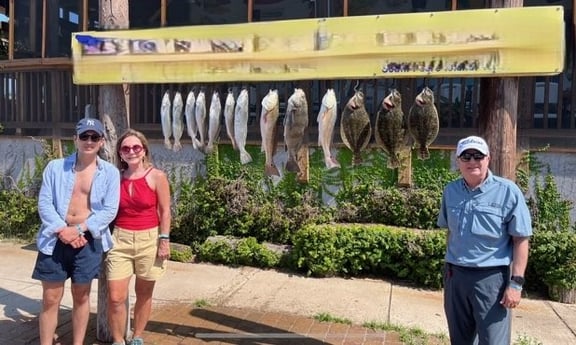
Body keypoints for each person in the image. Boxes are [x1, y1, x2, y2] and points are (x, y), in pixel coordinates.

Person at [32, 117, 120, 345]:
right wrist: (63, 230)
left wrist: (79, 230)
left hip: (88, 241)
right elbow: (45, 204)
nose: (89, 141)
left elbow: (110, 210)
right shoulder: (55, 167)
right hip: (55, 238)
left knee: (81, 296)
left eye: (94, 137)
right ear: (75, 139)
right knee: (50, 298)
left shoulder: (110, 172)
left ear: (101, 142)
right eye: (84, 136)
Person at [437, 135, 533, 345]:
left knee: (493, 341)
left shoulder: (508, 191)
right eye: (466, 156)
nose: (472, 161)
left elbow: (521, 239)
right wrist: (449, 272)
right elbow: (450, 233)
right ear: (458, 161)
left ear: (488, 159)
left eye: (478, 155)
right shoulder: (450, 191)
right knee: (460, 340)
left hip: (492, 280)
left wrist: (516, 284)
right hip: (456, 277)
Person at [106, 129, 171, 345]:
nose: (131, 151)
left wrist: (164, 240)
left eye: (136, 147)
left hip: (149, 239)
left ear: (144, 150)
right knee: (116, 297)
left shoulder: (157, 176)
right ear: (120, 153)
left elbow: (165, 211)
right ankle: (117, 339)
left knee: (143, 294)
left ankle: (137, 336)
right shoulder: (114, 177)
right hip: (120, 239)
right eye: (126, 148)